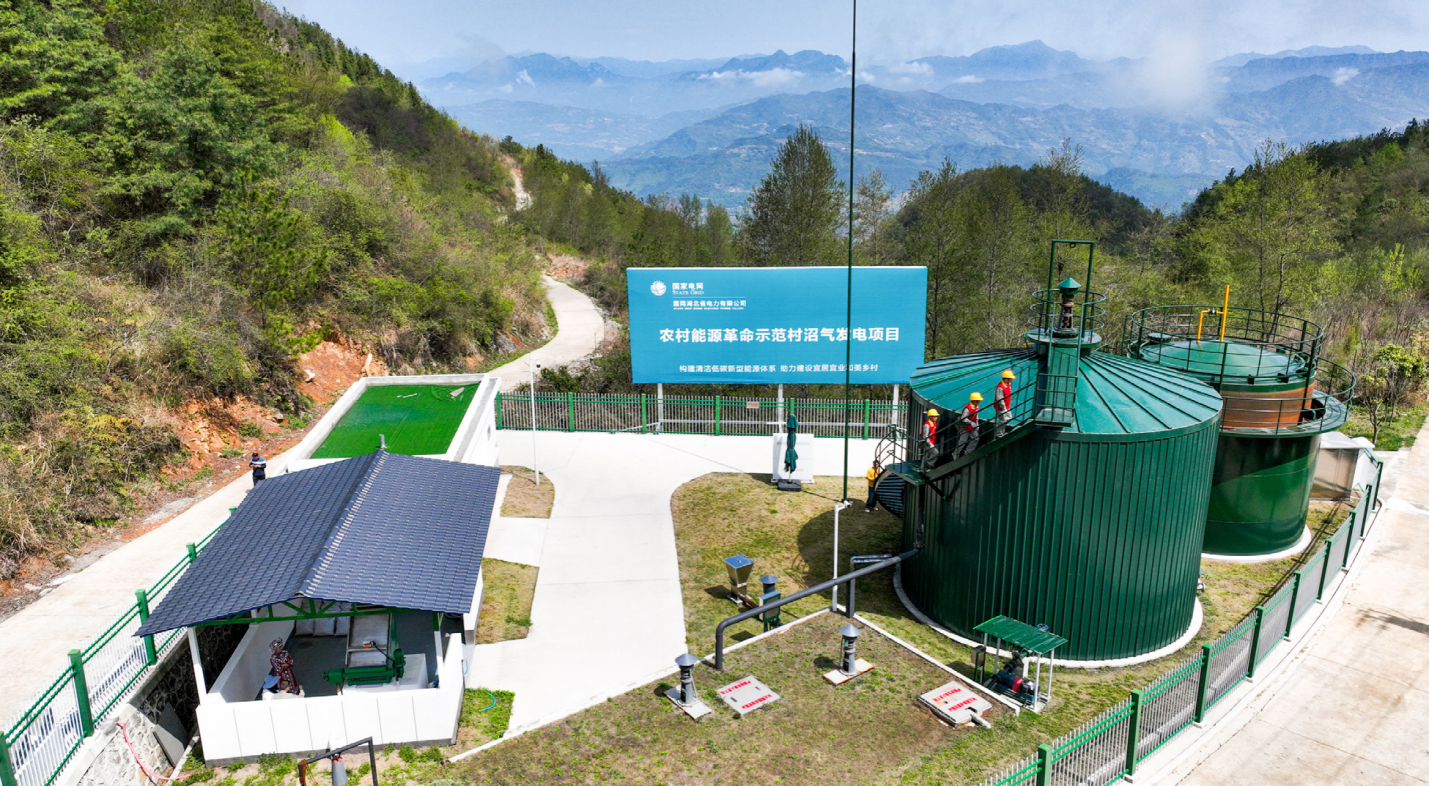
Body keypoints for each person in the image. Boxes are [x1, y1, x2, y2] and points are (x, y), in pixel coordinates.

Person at [956, 392, 981, 457]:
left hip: (971, 426)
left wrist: (977, 424)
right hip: (964, 426)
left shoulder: (976, 407)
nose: (979, 402)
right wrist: (971, 423)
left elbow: (976, 416)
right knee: (962, 441)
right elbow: (963, 418)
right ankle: (955, 454)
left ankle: (967, 452)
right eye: (978, 400)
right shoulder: (968, 408)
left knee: (976, 438)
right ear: (974, 400)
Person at [994, 370, 1015, 438]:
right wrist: (1003, 408)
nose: (1011, 380)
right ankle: (999, 434)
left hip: (1006, 406)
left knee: (1009, 417)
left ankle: (999, 427)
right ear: (1006, 379)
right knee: (1003, 420)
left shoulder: (1008, 384)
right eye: (1010, 379)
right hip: (1000, 407)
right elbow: (1000, 399)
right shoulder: (1000, 387)